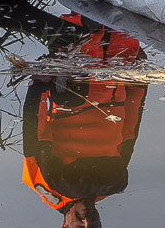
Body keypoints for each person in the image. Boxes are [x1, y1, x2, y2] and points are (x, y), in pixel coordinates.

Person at [21, 13, 148, 228]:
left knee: (85, 31)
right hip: (116, 80)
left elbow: (33, 133)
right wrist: (139, 85)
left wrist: (39, 87)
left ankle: (76, 4)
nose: (88, 221)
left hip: (75, 89)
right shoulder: (107, 185)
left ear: (64, 226)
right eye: (95, 227)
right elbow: (130, 132)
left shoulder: (45, 186)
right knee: (121, 24)